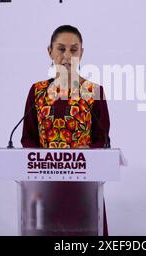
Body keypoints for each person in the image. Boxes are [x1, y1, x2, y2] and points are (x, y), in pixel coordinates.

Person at [21, 24, 111, 236]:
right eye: (61, 49)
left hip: (84, 190)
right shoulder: (38, 91)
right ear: (50, 52)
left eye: (74, 49)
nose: (67, 55)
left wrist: (84, 156)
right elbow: (28, 138)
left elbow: (102, 139)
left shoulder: (93, 92)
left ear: (81, 53)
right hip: (45, 189)